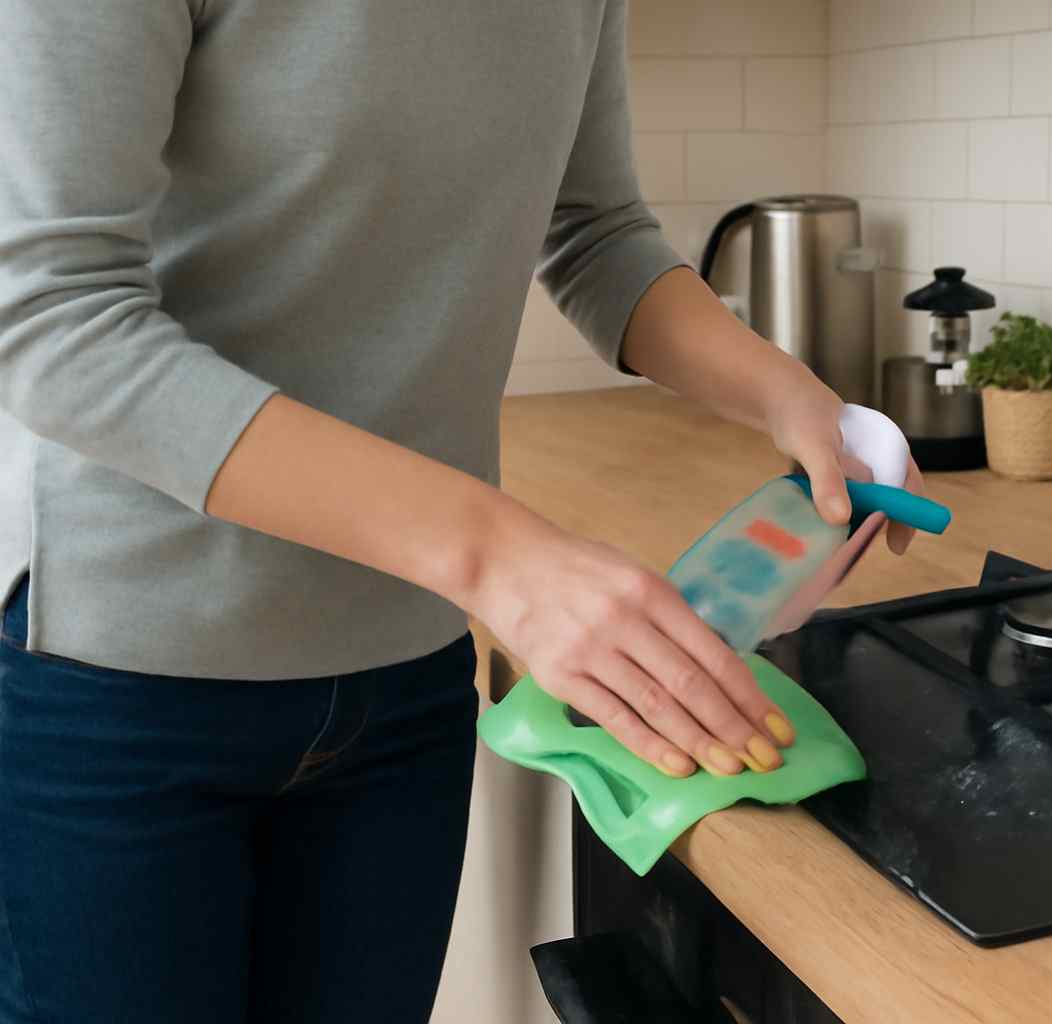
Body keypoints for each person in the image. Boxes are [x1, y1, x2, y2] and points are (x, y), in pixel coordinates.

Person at [0, 2, 921, 1022]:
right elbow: (52, 318)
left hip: (404, 681)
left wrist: (788, 393)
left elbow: (597, 233)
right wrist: (499, 556)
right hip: (123, 687)